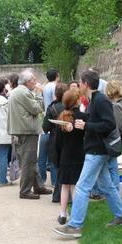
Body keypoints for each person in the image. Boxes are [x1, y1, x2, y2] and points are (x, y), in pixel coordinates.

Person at [53, 69, 122, 239]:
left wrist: (87, 126)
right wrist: (85, 123)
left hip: (97, 151)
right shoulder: (94, 100)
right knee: (106, 186)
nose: (79, 85)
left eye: (80, 82)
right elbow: (97, 122)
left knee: (81, 186)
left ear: (86, 84)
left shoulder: (101, 100)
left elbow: (109, 125)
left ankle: (75, 225)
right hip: (96, 149)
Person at [7, 68, 52, 199]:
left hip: (22, 130)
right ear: (27, 82)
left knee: (31, 161)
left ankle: (38, 185)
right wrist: (38, 94)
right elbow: (37, 108)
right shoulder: (23, 93)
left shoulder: (19, 91)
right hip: (26, 131)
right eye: (33, 80)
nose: (36, 82)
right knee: (28, 162)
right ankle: (25, 190)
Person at [54, 89, 86, 225]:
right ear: (77, 101)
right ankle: (75, 215)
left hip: (65, 156)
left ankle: (62, 214)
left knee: (65, 186)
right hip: (78, 155)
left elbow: (57, 142)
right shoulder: (82, 117)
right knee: (75, 186)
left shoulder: (61, 117)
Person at [42, 83, 68, 202]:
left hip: (55, 139)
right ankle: (64, 195)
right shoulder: (69, 107)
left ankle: (57, 192)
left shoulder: (52, 107)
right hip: (68, 140)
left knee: (55, 165)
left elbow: (45, 127)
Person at [39, 69, 60, 186]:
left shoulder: (45, 87)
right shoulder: (54, 87)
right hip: (53, 118)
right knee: (53, 153)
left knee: (42, 154)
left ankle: (42, 179)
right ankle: (54, 180)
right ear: (57, 75)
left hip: (46, 116)